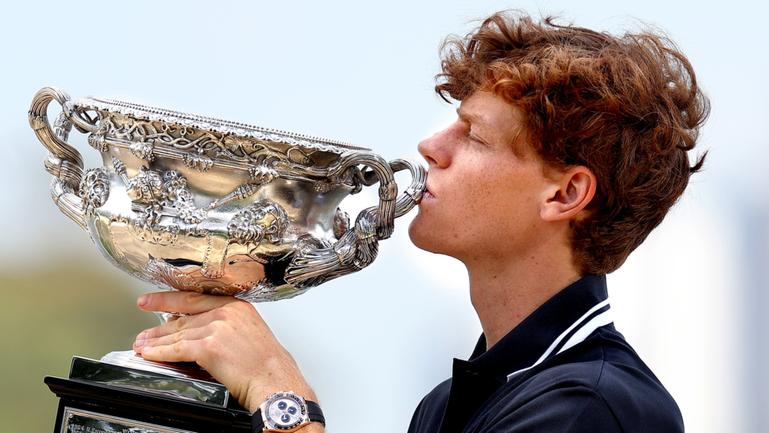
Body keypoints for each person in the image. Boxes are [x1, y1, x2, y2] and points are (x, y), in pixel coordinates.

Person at [130, 10, 708, 433]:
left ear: (565, 193)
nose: (431, 146)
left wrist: (280, 397)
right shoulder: (451, 402)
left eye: (474, 136)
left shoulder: (591, 408)